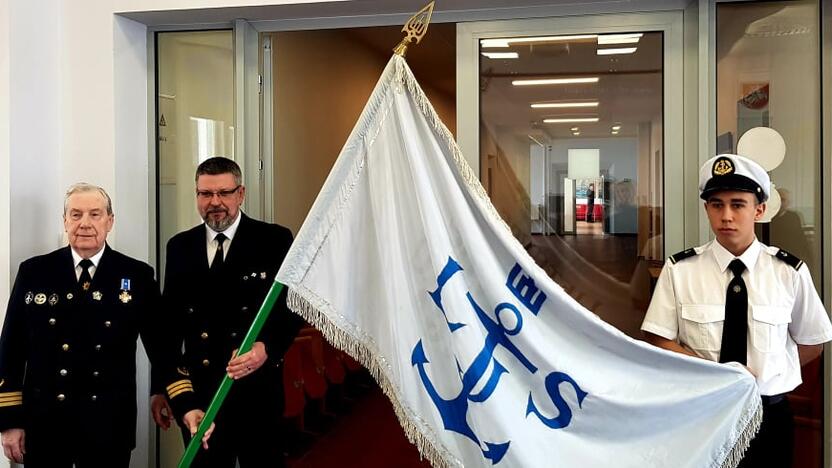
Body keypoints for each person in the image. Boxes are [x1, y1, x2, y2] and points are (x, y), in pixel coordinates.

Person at [641, 154, 832, 467]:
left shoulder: (789, 272)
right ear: (706, 209)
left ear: (758, 210)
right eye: (716, 204)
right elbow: (659, 339)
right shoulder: (680, 270)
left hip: (768, 416)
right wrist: (719, 376)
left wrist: (773, 371)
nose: (726, 215)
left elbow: (813, 341)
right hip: (701, 414)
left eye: (737, 204)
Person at [0, 183, 210, 468]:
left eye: (95, 214)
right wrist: (10, 422)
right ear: (64, 221)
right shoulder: (35, 272)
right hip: (46, 423)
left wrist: (187, 406)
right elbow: (10, 351)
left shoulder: (136, 275)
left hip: (108, 425)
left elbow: (164, 350)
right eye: (75, 215)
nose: (84, 223)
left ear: (110, 221)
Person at [151, 157, 302, 467]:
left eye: (224, 193)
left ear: (241, 193)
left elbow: (292, 308)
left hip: (256, 391)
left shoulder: (274, 239)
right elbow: (169, 326)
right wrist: (162, 388)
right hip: (202, 396)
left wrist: (267, 348)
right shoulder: (179, 247)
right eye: (205, 194)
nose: (215, 203)